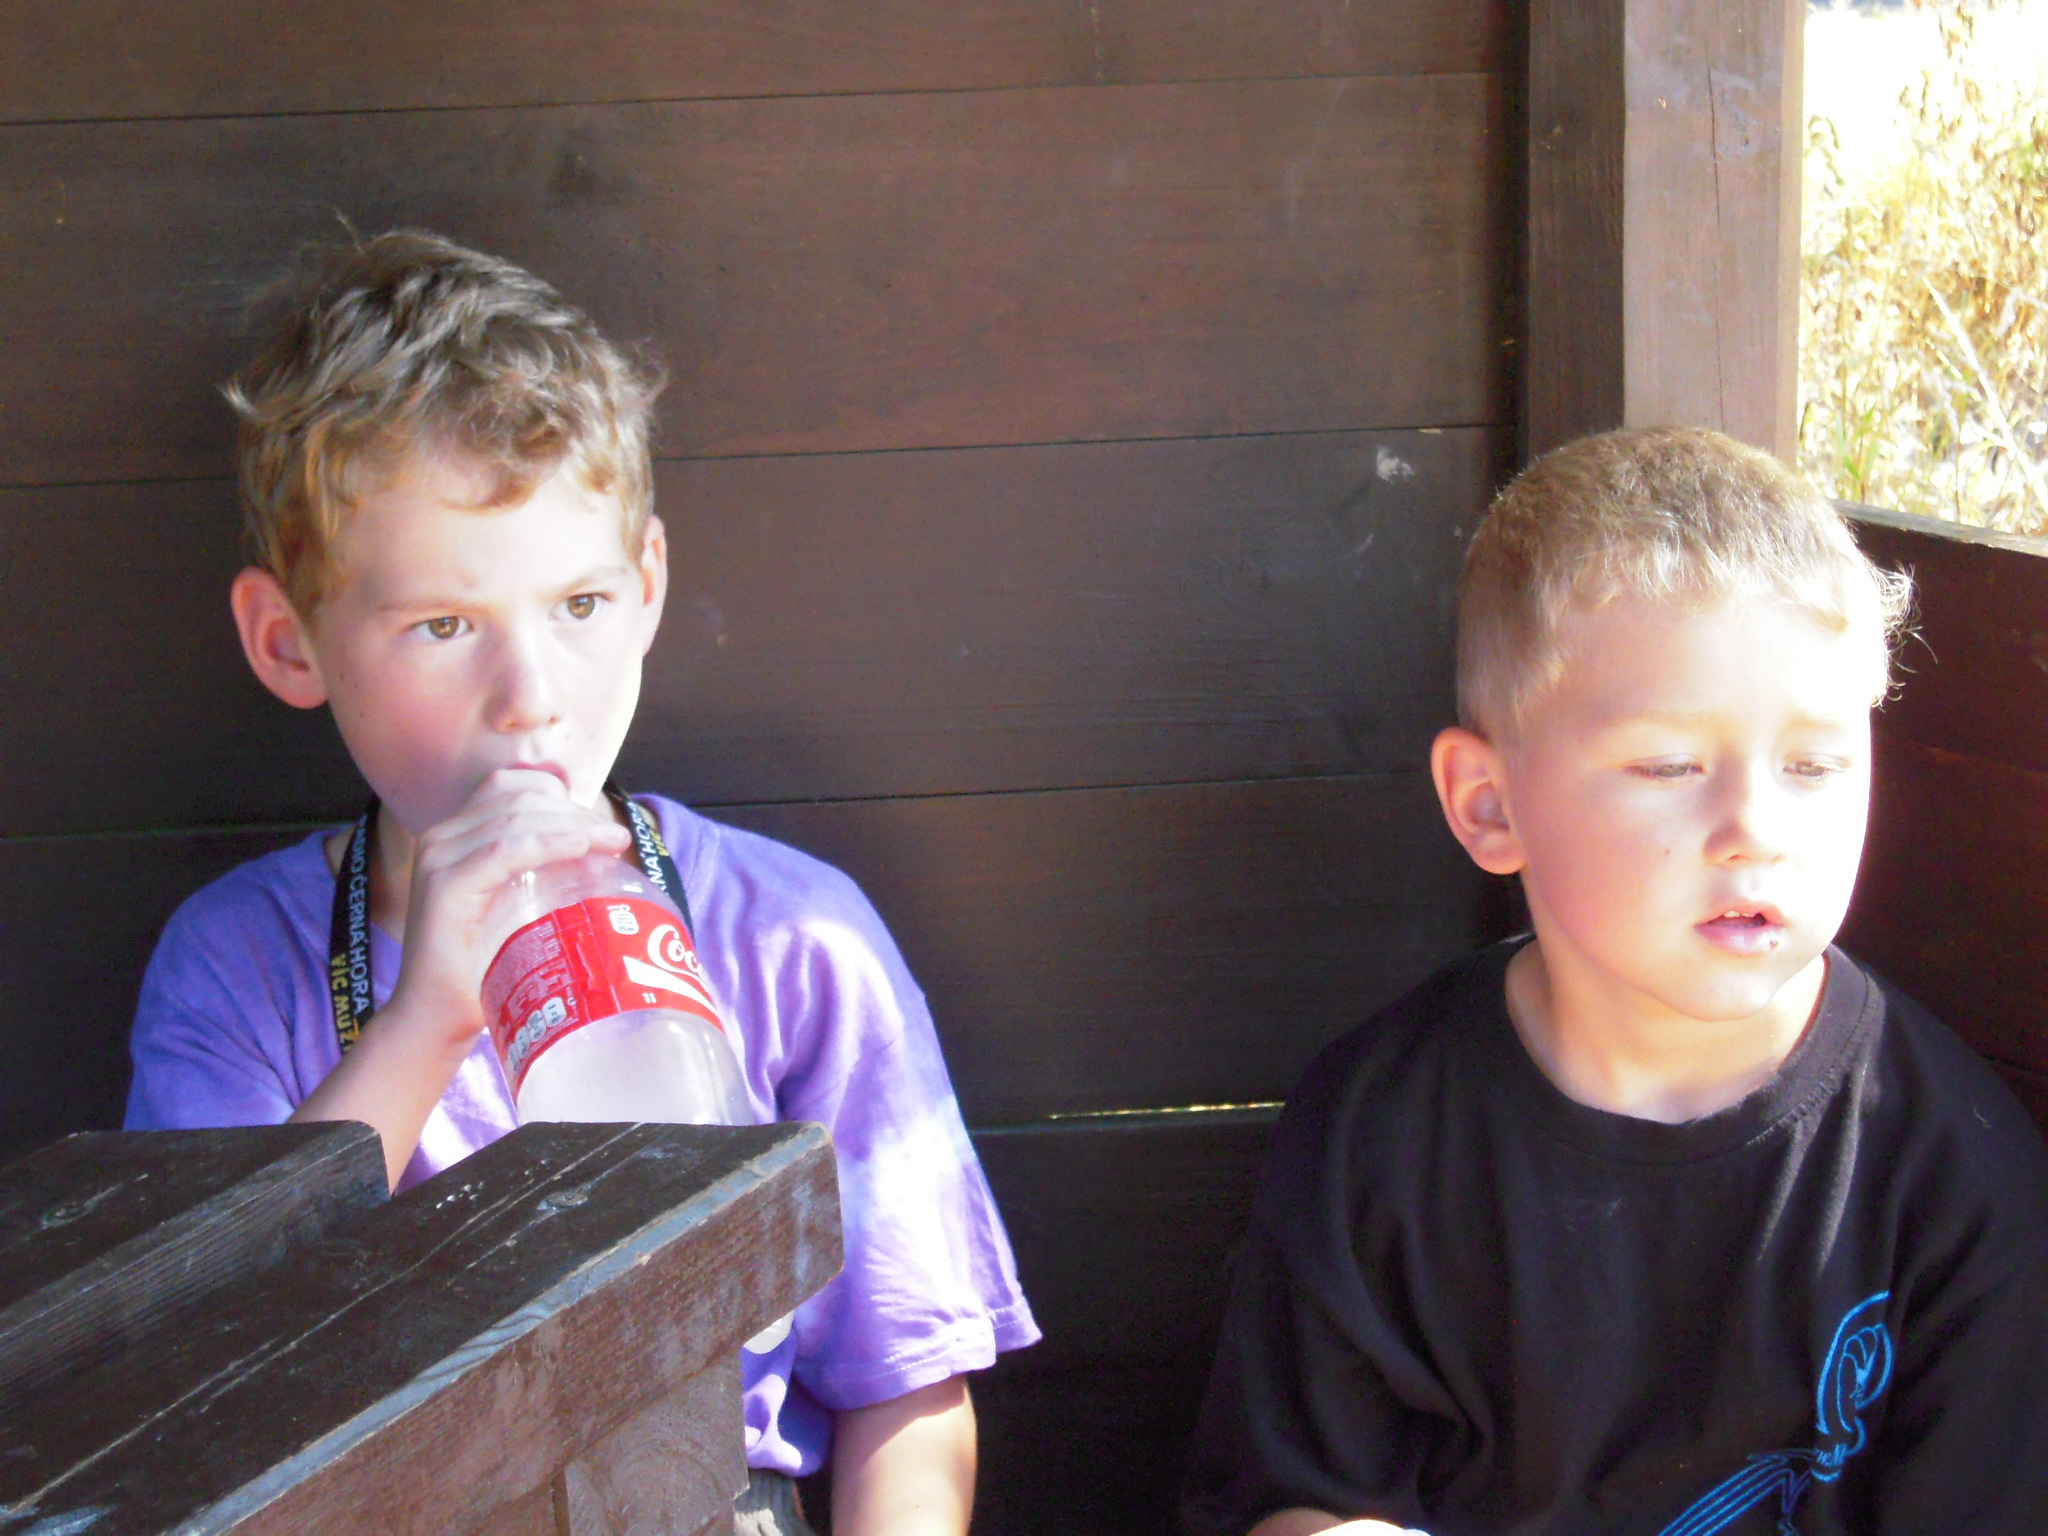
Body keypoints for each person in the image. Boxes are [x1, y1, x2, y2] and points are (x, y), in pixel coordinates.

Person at [125, 230, 1037, 1536]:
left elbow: (907, 1389)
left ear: (648, 585)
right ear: (289, 643)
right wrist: (426, 1020)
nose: (532, 697)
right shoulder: (237, 963)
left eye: (580, 606)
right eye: (444, 626)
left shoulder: (791, 939)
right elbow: (201, 1377)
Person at [1179, 428, 2048, 1536]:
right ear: (1490, 804)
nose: (1754, 830)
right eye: (1669, 765)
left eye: (1814, 765)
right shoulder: (1378, 1133)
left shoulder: (1952, 1170)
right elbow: (1296, 1504)